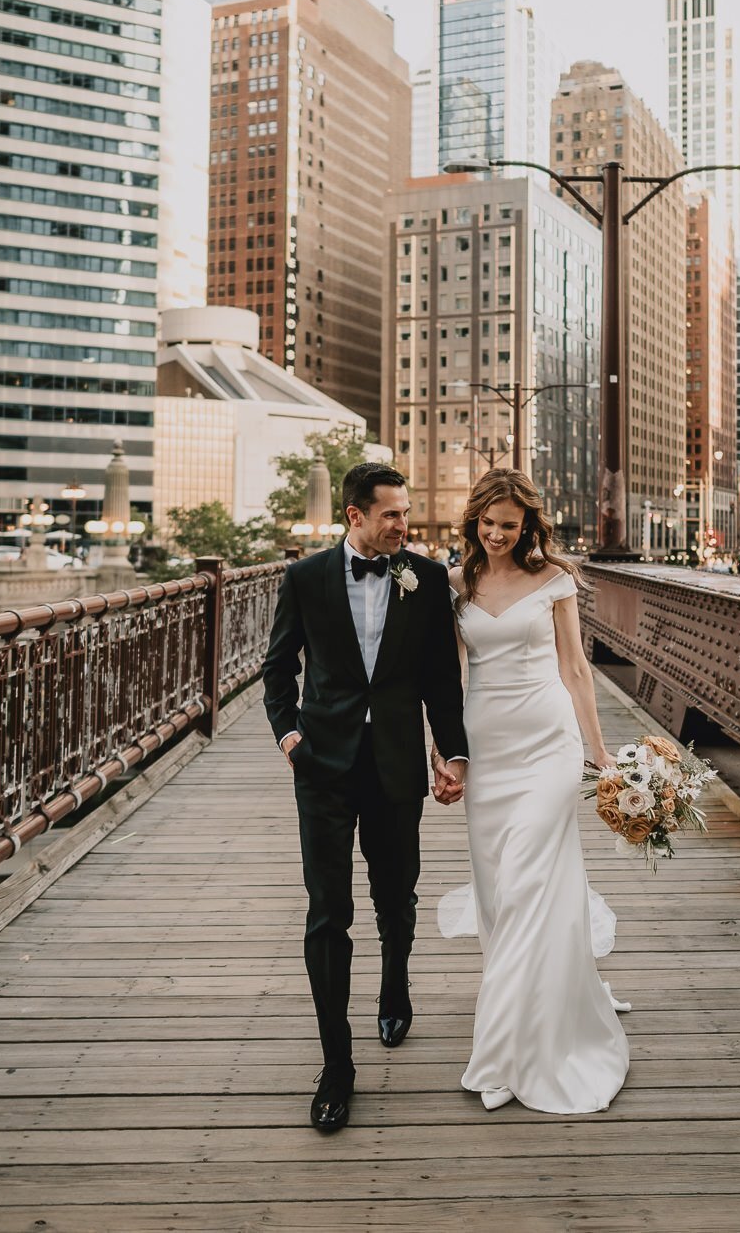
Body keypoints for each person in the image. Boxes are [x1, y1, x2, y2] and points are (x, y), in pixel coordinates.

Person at [262, 463, 469, 1133]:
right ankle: (336, 1066)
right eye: (393, 515)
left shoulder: (426, 578)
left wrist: (452, 752)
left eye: (406, 513)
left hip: (396, 762)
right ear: (354, 515)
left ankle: (395, 982)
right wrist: (290, 736)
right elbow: (277, 667)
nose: (405, 526)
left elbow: (441, 677)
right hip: (322, 763)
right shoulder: (305, 578)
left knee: (396, 892)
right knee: (327, 912)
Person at [436, 469, 630, 1115]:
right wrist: (445, 753)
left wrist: (597, 751)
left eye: (508, 526)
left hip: (547, 746)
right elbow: (454, 675)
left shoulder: (554, 581)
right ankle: (523, 1007)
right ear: (474, 522)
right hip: (487, 749)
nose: (495, 535)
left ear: (528, 527)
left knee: (523, 882)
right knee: (497, 894)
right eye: (486, 524)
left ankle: (501, 1051)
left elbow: (574, 669)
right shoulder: (456, 583)